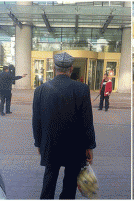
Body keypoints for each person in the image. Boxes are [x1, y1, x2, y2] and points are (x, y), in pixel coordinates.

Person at [32, 52, 96, 199]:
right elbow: (87, 121)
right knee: (70, 183)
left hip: (50, 144)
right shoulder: (82, 89)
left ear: (54, 68)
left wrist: (38, 143)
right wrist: (89, 146)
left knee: (49, 179)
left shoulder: (40, 90)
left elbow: (36, 121)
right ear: (71, 69)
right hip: (75, 146)